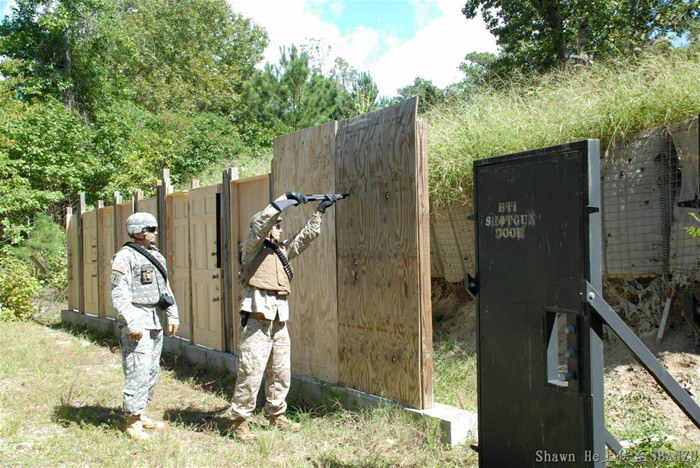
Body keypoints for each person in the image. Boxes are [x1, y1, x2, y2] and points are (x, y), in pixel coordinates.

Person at [230, 192, 336, 442]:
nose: (280, 229)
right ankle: (240, 422)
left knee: (280, 371)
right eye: (277, 226)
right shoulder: (251, 249)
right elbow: (260, 223)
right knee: (250, 371)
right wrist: (283, 200)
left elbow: (304, 238)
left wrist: (320, 211)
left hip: (278, 319)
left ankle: (276, 415)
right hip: (257, 319)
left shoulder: (281, 251)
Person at [111, 212, 180, 440]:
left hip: (155, 318)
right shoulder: (125, 257)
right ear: (138, 231)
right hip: (137, 317)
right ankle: (132, 420)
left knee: (151, 369)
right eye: (151, 229)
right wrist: (131, 322)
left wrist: (173, 315)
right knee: (137, 369)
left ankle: (141, 412)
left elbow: (165, 289)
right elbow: (119, 293)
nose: (155, 233)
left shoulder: (156, 256)